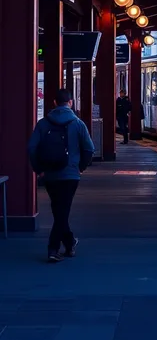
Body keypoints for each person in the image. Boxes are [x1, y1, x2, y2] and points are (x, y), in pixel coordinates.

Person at [28, 88, 94, 263]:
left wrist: (38, 169)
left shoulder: (43, 124)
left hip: (49, 174)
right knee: (62, 212)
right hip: (71, 175)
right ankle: (53, 249)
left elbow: (31, 148)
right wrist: (80, 168)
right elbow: (89, 149)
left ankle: (70, 242)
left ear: (54, 103)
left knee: (59, 210)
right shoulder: (78, 124)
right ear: (70, 103)